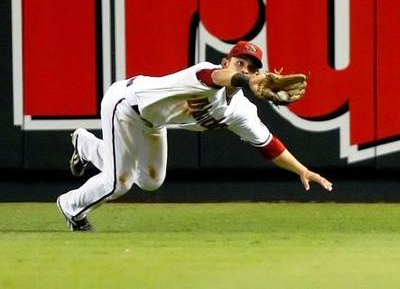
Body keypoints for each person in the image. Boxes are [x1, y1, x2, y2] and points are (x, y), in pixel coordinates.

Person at [57, 41, 333, 231]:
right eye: (240, 63)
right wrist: (247, 81)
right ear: (226, 61)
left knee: (150, 181)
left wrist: (303, 170)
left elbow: (269, 145)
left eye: (251, 68)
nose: (245, 70)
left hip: (154, 123)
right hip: (125, 105)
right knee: (120, 182)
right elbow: (217, 77)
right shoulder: (204, 72)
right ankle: (71, 207)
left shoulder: (240, 110)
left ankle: (85, 144)